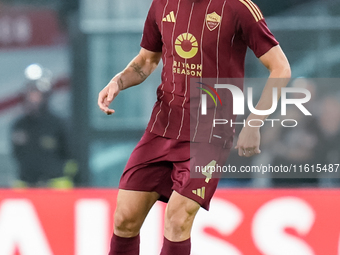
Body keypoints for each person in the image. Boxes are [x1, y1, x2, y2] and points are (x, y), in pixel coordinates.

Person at [98, 0, 291, 254]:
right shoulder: (162, 4)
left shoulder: (238, 7)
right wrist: (118, 81)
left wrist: (254, 123)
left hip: (209, 136)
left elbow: (281, 68)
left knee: (177, 219)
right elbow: (146, 61)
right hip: (161, 129)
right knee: (124, 219)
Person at [11, 72, 76, 188]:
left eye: (36, 93)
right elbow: (16, 154)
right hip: (26, 187)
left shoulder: (59, 124)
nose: (32, 97)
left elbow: (71, 156)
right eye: (30, 93)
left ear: (45, 95)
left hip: (55, 188)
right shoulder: (19, 125)